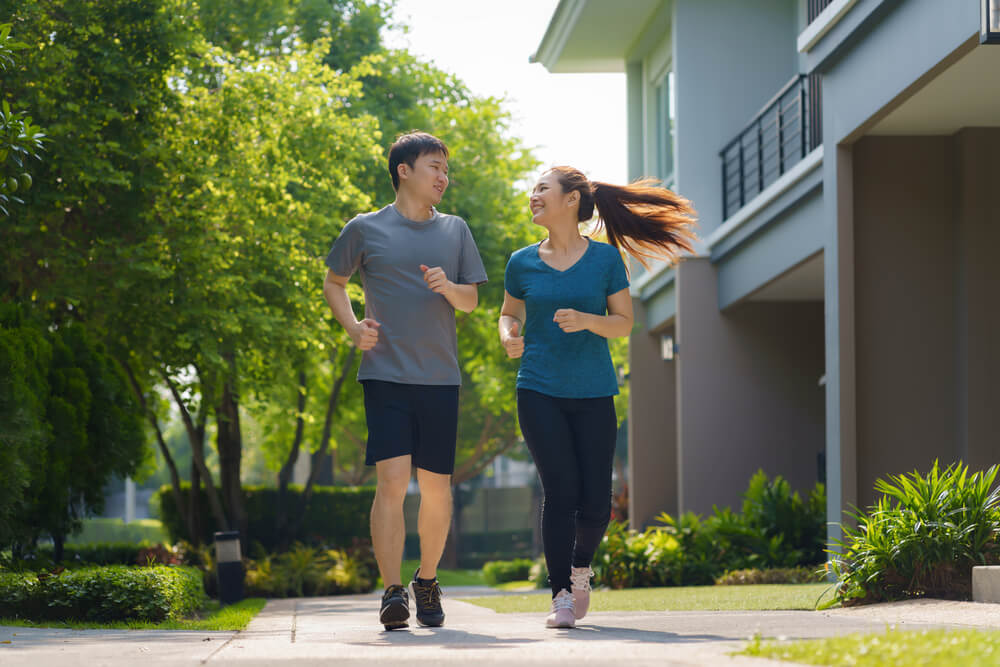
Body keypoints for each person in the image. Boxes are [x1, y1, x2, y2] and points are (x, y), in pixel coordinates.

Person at [499, 166, 696, 628]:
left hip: (593, 391)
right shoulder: (521, 261)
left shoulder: (606, 260)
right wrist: (509, 335)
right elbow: (509, 313)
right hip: (538, 388)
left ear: (571, 200)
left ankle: (581, 569)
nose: (533, 196)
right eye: (533, 189)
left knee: (596, 501)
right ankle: (560, 596)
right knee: (560, 490)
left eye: (542, 188)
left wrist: (588, 320)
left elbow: (624, 323)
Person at [323, 131, 487, 631]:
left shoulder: (455, 229)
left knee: (436, 487)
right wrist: (353, 327)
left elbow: (472, 302)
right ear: (404, 171)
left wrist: (448, 286)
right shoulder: (365, 228)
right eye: (434, 167)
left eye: (445, 169)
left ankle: (428, 580)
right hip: (386, 375)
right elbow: (335, 281)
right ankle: (393, 592)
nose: (443, 177)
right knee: (392, 482)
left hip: (440, 379)